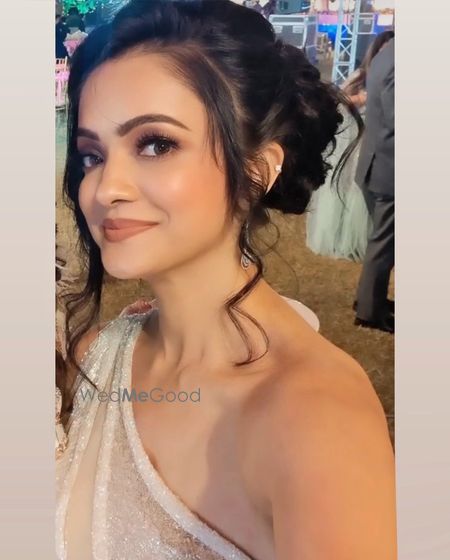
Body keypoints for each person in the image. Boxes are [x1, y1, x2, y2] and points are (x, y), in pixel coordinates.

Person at [56, 1, 396, 558]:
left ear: (257, 170)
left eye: (156, 144)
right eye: (92, 155)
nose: (106, 187)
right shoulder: (98, 356)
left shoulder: (317, 420)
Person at [306, 30, 395, 262]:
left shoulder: (390, 80)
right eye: (383, 49)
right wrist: (362, 99)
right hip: (354, 145)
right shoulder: (360, 76)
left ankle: (368, 245)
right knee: (347, 196)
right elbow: (339, 102)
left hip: (374, 146)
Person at [354, 36, 395, 333]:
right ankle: (370, 311)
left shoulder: (386, 54)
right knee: (384, 244)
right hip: (389, 169)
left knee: (381, 242)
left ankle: (369, 300)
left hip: (377, 164)